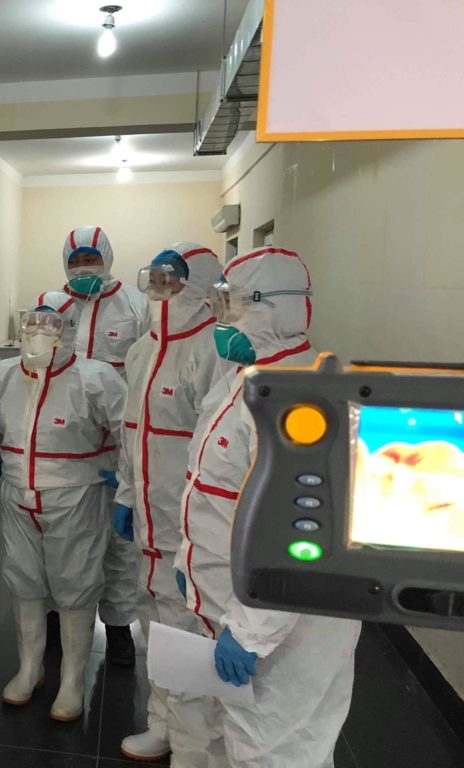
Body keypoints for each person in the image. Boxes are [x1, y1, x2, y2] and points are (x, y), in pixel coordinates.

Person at [177, 247, 361, 767]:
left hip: (281, 631)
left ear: (273, 308)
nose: (219, 319)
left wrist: (251, 631)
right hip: (233, 603)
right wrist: (188, 563)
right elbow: (213, 487)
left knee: (273, 751)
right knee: (235, 741)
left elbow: (304, 535)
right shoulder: (246, 378)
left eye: (231, 304)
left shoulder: (304, 397)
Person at [0, 291, 126, 722]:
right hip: (18, 494)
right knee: (24, 580)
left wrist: (122, 478)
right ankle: (30, 669)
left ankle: (72, 680)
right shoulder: (2, 374)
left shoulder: (96, 378)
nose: (40, 331)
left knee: (76, 584)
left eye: (52, 323)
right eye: (34, 323)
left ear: (69, 329)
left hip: (77, 496)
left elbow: (127, 431)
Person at [109, 243, 230, 764]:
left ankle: (195, 748)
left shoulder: (215, 351)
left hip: (191, 525)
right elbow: (130, 433)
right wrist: (126, 493)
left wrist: (203, 526)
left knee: (191, 633)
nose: (159, 291)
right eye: (154, 281)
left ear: (199, 287)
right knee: (154, 626)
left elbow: (220, 452)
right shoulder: (142, 350)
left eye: (171, 281)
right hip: (149, 520)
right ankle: (162, 723)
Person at [60, 226, 149, 666]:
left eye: (90, 258)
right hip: (65, 439)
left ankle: (117, 626)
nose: (83, 268)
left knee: (120, 539)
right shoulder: (55, 305)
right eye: (75, 261)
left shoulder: (136, 305)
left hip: (118, 440)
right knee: (64, 535)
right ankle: (59, 616)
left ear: (107, 258)